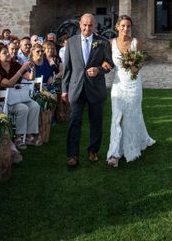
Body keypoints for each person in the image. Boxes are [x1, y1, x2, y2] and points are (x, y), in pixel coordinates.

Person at [62, 13, 114, 167]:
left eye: (90, 25)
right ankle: (73, 155)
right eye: (84, 25)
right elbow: (67, 68)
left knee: (96, 122)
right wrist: (64, 90)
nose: (87, 28)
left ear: (94, 26)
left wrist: (98, 70)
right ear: (80, 24)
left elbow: (109, 64)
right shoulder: (70, 43)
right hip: (76, 89)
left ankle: (93, 151)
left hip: (95, 89)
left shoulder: (102, 42)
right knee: (74, 122)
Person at [106, 15, 155, 167]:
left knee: (132, 116)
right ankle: (114, 153)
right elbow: (107, 61)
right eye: (123, 26)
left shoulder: (136, 43)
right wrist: (104, 64)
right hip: (118, 84)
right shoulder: (111, 43)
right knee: (117, 117)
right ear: (117, 27)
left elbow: (140, 62)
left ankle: (131, 148)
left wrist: (135, 66)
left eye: (128, 26)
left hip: (134, 83)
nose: (126, 29)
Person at [0, 44, 41, 149]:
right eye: (4, 52)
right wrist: (21, 69)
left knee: (35, 105)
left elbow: (30, 78)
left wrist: (32, 69)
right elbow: (8, 83)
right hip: (5, 100)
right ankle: (18, 138)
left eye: (7, 51)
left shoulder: (14, 64)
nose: (8, 54)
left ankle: (28, 134)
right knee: (22, 108)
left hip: (19, 96)